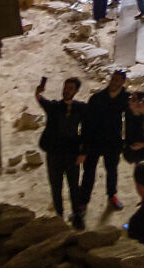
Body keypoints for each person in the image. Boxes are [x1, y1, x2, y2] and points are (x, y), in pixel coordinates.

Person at [35, 76, 87, 229]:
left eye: (70, 88)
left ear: (76, 91)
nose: (66, 90)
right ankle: (59, 216)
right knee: (56, 185)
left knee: (73, 186)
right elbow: (41, 100)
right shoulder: (55, 107)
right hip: (54, 153)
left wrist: (83, 152)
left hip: (72, 154)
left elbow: (87, 131)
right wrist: (38, 92)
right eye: (65, 87)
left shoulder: (81, 108)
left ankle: (77, 215)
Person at [80, 70, 131, 215]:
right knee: (88, 173)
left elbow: (132, 119)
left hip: (113, 142)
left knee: (112, 171)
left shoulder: (126, 99)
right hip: (94, 141)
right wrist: (84, 145)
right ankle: (83, 202)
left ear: (122, 83)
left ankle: (111, 196)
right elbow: (86, 123)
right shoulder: (97, 98)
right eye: (113, 79)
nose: (114, 82)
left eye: (117, 80)